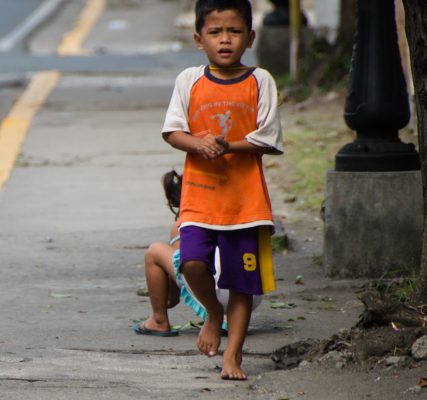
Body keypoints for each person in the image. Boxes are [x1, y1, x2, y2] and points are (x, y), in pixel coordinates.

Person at [160, 0, 283, 380]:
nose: (225, 40)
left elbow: (268, 137)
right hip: (199, 199)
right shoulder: (189, 80)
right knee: (192, 263)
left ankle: (233, 355)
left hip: (246, 204)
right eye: (215, 33)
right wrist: (198, 144)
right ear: (199, 39)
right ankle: (214, 312)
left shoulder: (260, 80)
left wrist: (229, 146)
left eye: (233, 32)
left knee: (241, 282)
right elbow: (172, 130)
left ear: (250, 36)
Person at [133, 172, 262, 338]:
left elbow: (181, 265)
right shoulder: (236, 212)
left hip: (217, 294)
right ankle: (230, 320)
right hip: (251, 293)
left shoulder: (184, 225)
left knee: (155, 251)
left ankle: (159, 320)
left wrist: (168, 299)